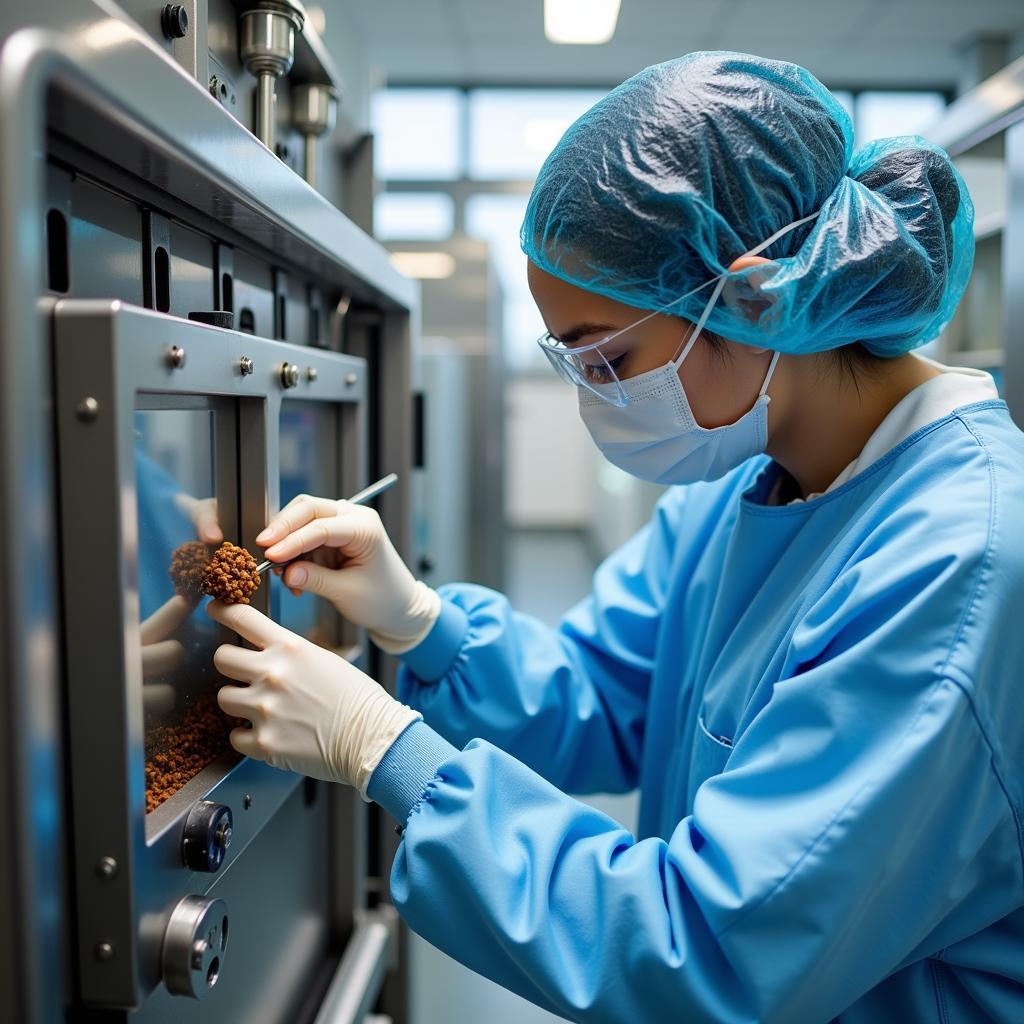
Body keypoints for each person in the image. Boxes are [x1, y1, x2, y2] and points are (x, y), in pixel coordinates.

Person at [207, 52, 1024, 1023]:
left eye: (608, 356)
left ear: (754, 296)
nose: (593, 395)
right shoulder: (749, 485)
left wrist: (384, 746)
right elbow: (600, 702)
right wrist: (419, 623)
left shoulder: (960, 568)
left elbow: (706, 949)